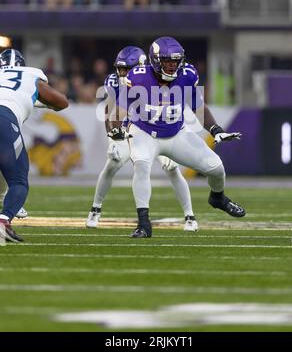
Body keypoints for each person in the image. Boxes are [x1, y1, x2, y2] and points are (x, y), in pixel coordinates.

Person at [116, 37, 245, 238]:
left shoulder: (187, 75)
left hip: (176, 133)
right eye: (168, 61)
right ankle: (143, 223)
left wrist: (215, 129)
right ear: (156, 61)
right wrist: (117, 128)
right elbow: (120, 108)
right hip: (144, 132)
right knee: (141, 164)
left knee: (216, 167)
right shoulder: (139, 76)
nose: (172, 65)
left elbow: (198, 107)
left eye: (175, 61)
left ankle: (217, 198)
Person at [86, 45, 198, 231]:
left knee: (172, 169)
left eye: (127, 69)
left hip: (154, 129)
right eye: (120, 69)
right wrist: (113, 136)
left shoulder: (155, 78)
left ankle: (190, 216)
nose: (123, 74)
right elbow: (109, 112)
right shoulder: (114, 82)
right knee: (112, 164)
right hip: (126, 130)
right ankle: (95, 210)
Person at [0, 49, 68, 243]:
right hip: (4, 119)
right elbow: (62, 102)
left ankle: (9, 206)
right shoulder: (31, 74)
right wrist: (45, 102)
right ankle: (4, 222)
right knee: (18, 181)